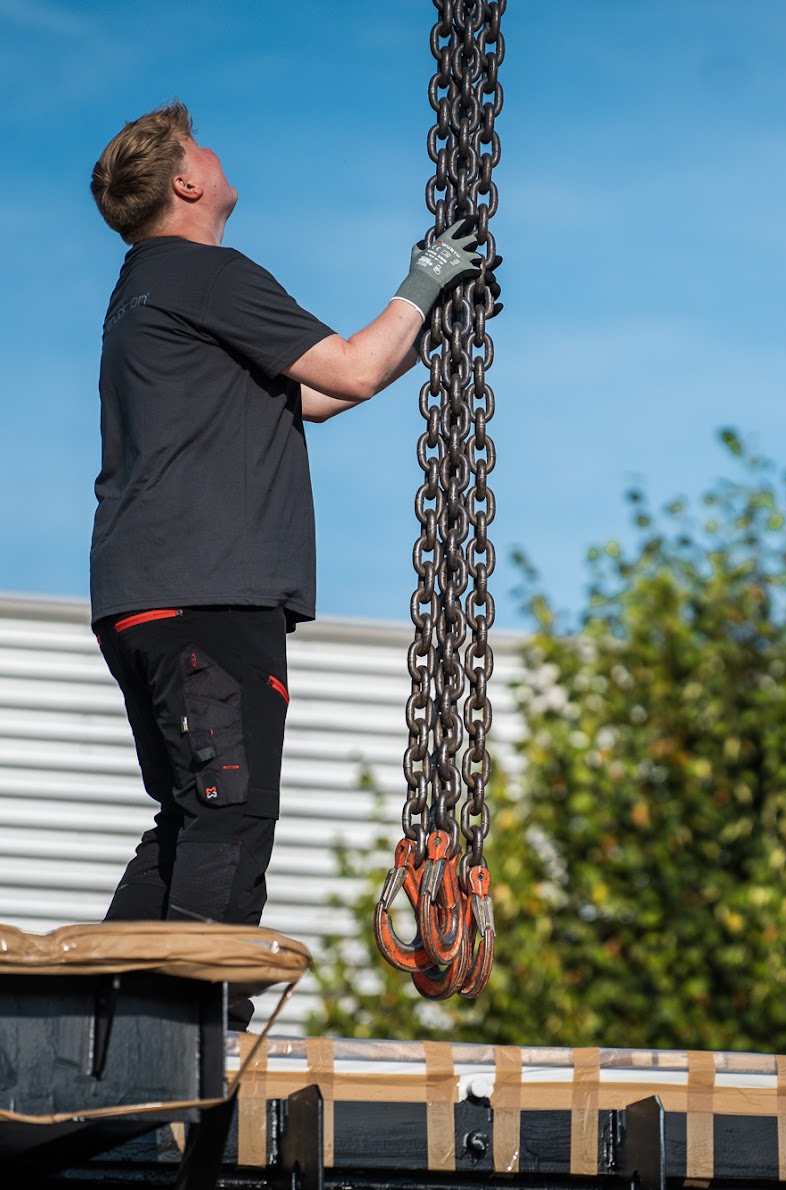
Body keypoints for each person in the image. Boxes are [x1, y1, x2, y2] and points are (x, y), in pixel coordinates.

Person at [88, 100, 492, 1026]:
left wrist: (427, 320)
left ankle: (95, 1025)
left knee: (193, 813)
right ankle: (185, 1042)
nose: (223, 155)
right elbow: (347, 369)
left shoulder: (144, 290)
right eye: (206, 149)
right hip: (209, 596)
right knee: (229, 814)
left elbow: (316, 397)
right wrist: (425, 281)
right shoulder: (206, 273)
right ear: (188, 182)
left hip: (148, 597)